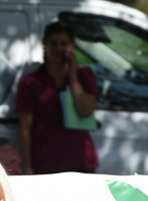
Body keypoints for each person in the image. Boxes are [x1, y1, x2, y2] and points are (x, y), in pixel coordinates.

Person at [16, 20, 98, 174]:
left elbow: (86, 110)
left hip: (80, 159)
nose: (58, 48)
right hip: (47, 162)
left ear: (71, 46)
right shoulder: (31, 82)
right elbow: (25, 129)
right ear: (45, 45)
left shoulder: (84, 76)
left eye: (63, 43)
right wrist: (27, 167)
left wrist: (73, 78)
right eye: (53, 43)